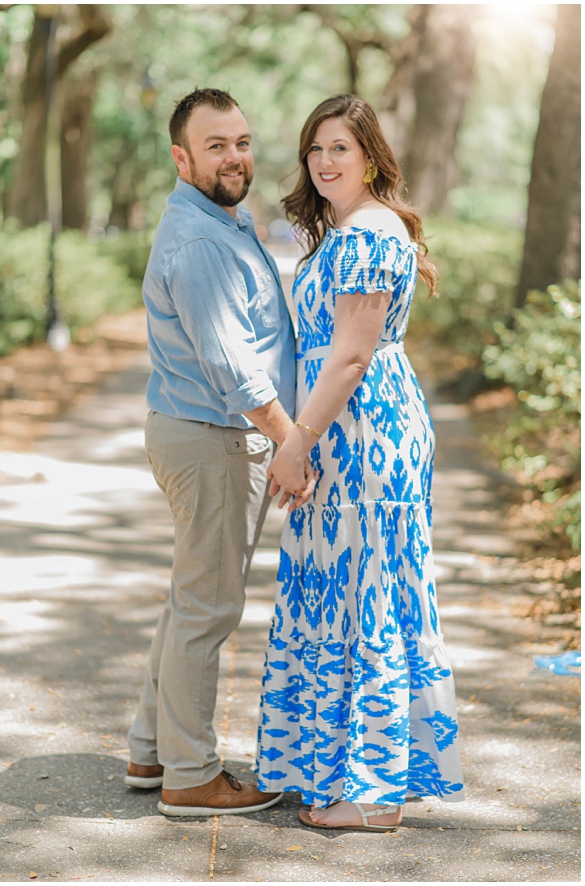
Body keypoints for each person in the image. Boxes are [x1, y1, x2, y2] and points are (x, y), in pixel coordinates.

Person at [256, 94, 465, 832]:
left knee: (368, 586)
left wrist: (296, 441)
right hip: (338, 424)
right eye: (315, 148)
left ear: (371, 156)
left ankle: (375, 797)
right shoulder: (345, 232)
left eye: (340, 147)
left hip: (365, 428)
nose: (323, 161)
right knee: (339, 587)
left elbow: (350, 355)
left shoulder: (372, 233)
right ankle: (340, 768)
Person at [125, 88, 315, 817]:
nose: (234, 156)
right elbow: (232, 368)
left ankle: (153, 748)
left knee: (189, 601)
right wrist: (289, 437)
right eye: (215, 145)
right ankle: (192, 776)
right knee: (209, 607)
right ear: (181, 157)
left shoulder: (219, 219)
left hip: (206, 436)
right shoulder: (203, 239)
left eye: (240, 140)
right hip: (215, 442)